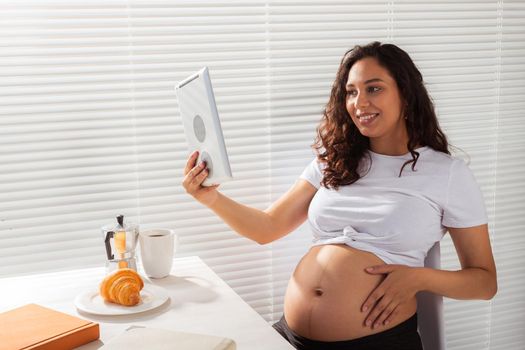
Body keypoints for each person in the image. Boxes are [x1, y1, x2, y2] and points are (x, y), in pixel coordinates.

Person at [182, 41, 497, 350]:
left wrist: (418, 278)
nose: (359, 103)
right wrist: (210, 198)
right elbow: (267, 227)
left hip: (377, 342)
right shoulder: (333, 159)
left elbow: (484, 282)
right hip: (288, 336)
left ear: (406, 93)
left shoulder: (447, 173)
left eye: (374, 88)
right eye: (351, 92)